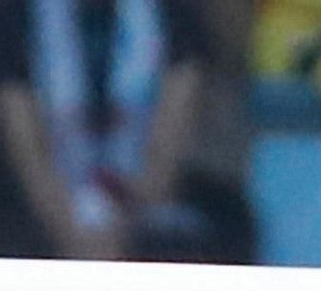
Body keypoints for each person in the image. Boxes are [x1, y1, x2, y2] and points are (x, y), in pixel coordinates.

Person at [0, 0, 248, 263]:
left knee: (216, 229)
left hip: (145, 206)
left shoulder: (173, 9)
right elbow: (26, 147)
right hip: (44, 212)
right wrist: (70, 231)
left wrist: (128, 221)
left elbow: (173, 131)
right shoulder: (17, 12)